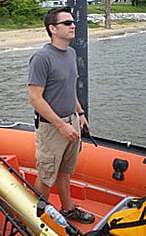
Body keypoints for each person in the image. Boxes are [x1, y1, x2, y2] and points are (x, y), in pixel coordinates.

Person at [28, 7, 95, 224]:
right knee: (46, 177)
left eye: (73, 22)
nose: (73, 25)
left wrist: (80, 113)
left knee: (65, 172)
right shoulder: (41, 58)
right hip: (52, 128)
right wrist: (61, 126)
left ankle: (67, 210)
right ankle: (34, 220)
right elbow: (35, 98)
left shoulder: (71, 53)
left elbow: (69, 87)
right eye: (67, 23)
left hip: (72, 122)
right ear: (53, 29)